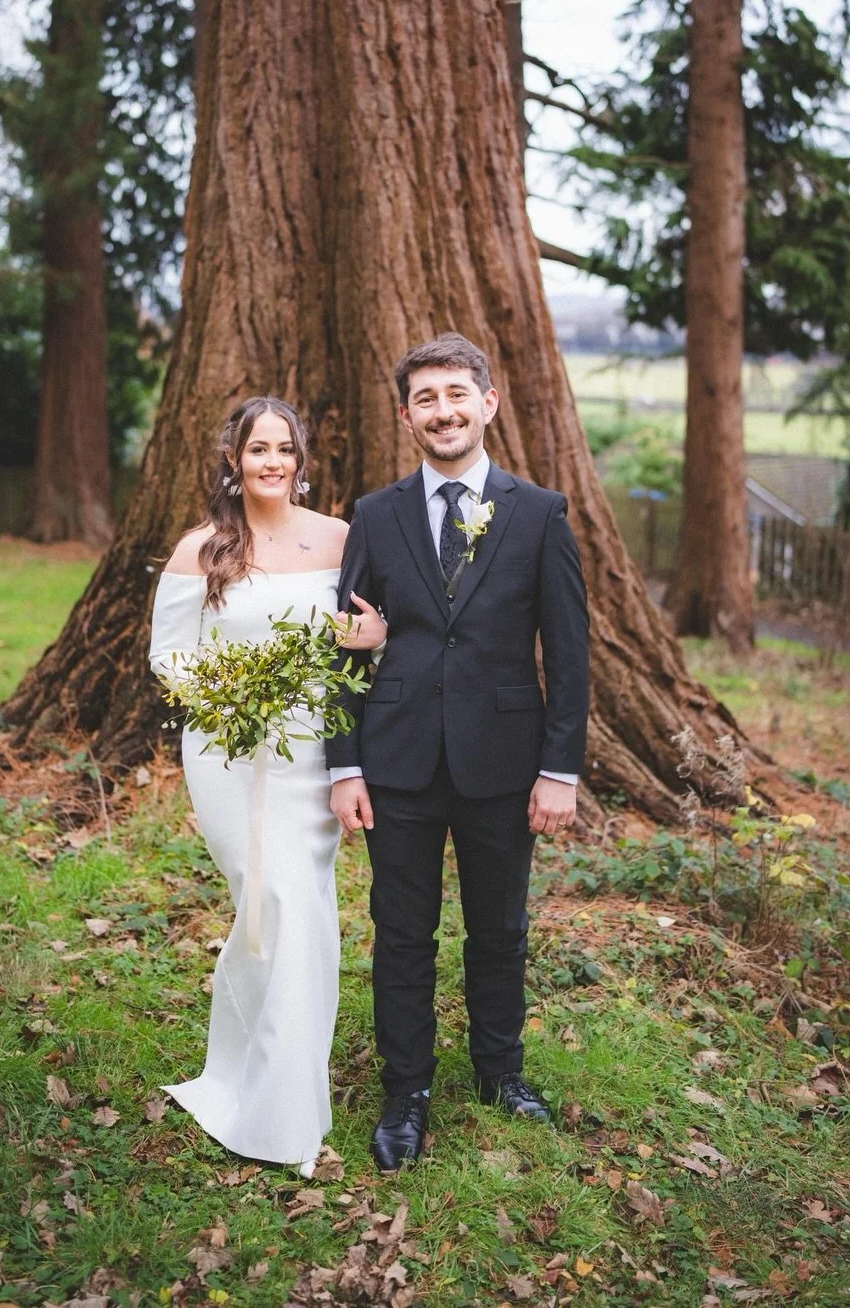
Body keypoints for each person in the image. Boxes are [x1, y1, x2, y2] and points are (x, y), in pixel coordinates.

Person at [326, 332, 590, 1172]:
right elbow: (344, 647)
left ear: (488, 403)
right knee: (402, 933)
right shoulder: (375, 515)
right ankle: (406, 1091)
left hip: (503, 761)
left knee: (499, 928)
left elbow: (569, 652)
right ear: (406, 416)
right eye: (425, 399)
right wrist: (344, 764)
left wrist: (559, 769)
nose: (443, 412)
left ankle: (499, 1071)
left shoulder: (538, 513)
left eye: (456, 394)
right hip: (396, 760)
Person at [148, 396, 385, 1174]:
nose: (272, 462)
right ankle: (255, 1087)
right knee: (266, 903)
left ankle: (284, 1099)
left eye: (285, 449)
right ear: (234, 460)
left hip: (314, 752)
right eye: (258, 449)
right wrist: (234, 701)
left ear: (301, 460)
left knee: (298, 909)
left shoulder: (339, 538)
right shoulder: (201, 549)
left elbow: (363, 635)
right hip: (229, 753)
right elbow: (168, 657)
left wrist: (376, 636)